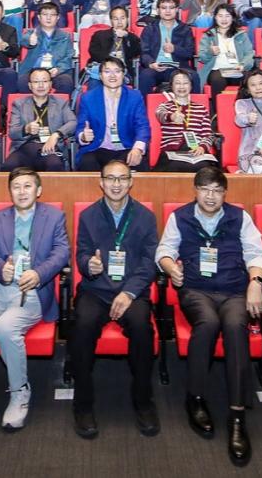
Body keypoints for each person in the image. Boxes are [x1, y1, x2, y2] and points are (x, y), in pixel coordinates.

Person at [156, 165, 262, 466]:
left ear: (225, 193)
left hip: (234, 291)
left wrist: (256, 283)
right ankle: (195, 398)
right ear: (195, 191)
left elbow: (256, 253)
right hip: (196, 290)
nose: (210, 196)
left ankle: (237, 415)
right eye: (205, 190)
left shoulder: (239, 217)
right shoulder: (180, 217)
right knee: (208, 323)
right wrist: (171, 267)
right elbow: (164, 250)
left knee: (235, 325)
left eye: (217, 191)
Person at [0, 169, 70, 430]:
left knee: (5, 328)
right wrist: (1, 269)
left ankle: (19, 391)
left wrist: (39, 273)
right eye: (16, 187)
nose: (22, 192)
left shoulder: (54, 216)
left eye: (28, 186)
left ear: (38, 190)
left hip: (32, 289)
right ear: (10, 191)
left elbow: (62, 252)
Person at [69, 160, 161, 439]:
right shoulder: (88, 215)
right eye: (110, 178)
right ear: (101, 182)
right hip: (96, 290)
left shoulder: (145, 217)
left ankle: (143, 401)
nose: (116, 184)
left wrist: (129, 292)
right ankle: (83, 404)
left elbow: (149, 262)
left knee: (142, 328)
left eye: (122, 178)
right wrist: (88, 264)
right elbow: (81, 253)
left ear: (131, 182)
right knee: (82, 325)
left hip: (131, 291)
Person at [75, 57, 150, 171]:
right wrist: (84, 137)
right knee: (87, 163)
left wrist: (137, 149)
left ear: (123, 74)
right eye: (107, 71)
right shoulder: (88, 98)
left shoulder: (134, 97)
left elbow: (142, 126)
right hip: (98, 148)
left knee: (139, 163)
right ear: (100, 76)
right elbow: (80, 127)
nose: (112, 75)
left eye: (117, 71)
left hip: (126, 147)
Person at [3, 68, 76, 171]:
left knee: (54, 165)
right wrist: (26, 129)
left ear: (50, 84)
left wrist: (56, 135)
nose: (41, 85)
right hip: (25, 147)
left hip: (50, 147)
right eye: (36, 82)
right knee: (8, 167)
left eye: (45, 81)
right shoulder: (19, 104)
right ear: (30, 85)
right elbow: (12, 133)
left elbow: (73, 122)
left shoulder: (61, 103)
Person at [154, 69, 217, 172]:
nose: (182, 87)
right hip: (172, 151)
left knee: (206, 169)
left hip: (196, 151)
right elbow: (160, 115)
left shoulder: (201, 109)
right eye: (177, 83)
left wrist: (202, 147)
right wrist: (172, 117)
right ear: (171, 86)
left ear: (191, 86)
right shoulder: (165, 106)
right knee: (174, 167)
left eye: (185, 83)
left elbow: (208, 135)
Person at [138, 0, 197, 95]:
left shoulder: (185, 29)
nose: (168, 11)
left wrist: (174, 49)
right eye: (164, 8)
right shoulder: (150, 29)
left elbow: (189, 52)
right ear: (158, 10)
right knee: (145, 76)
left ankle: (194, 105)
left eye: (171, 8)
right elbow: (144, 53)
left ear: (177, 9)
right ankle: (144, 105)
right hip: (156, 67)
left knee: (194, 76)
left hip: (179, 68)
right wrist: (151, 63)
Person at [198, 4, 256, 99]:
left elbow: (249, 53)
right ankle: (217, 108)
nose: (224, 19)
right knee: (217, 80)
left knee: (249, 80)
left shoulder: (241, 34)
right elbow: (202, 57)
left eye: (227, 16)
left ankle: (244, 107)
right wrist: (210, 52)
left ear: (233, 18)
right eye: (220, 16)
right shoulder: (208, 35)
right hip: (217, 70)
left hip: (237, 69)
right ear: (215, 17)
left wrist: (243, 65)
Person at [17, 2, 74, 94]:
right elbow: (24, 40)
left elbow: (69, 56)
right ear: (39, 17)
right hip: (33, 70)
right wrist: (30, 41)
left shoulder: (65, 36)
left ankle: (55, 103)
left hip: (55, 70)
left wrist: (59, 69)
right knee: (22, 83)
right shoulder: (31, 33)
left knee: (66, 83)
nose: (48, 18)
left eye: (52, 15)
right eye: (45, 14)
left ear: (58, 17)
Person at [86, 6, 141, 87]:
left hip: (121, 72)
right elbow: (94, 53)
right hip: (102, 70)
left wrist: (127, 36)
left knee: (118, 85)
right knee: (95, 85)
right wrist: (112, 60)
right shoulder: (100, 35)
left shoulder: (132, 37)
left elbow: (137, 52)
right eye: (116, 19)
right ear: (111, 21)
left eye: (122, 18)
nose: (119, 22)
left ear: (127, 19)